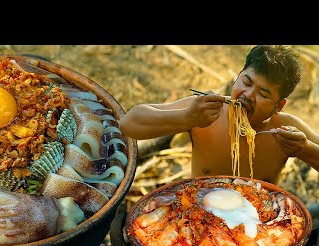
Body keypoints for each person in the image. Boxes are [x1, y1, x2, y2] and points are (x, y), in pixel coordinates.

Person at [119, 45, 319, 231]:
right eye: (246, 82)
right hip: (197, 218)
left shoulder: (285, 130)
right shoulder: (205, 113)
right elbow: (129, 124)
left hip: (258, 226)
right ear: (237, 77)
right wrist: (186, 117)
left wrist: (306, 149)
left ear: (279, 105)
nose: (248, 95)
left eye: (263, 95)